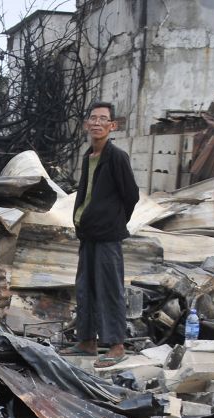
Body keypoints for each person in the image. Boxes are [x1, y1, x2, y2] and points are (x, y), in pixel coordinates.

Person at [68, 101, 139, 368]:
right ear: (87, 124)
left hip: (108, 236)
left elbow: (131, 195)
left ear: (112, 126)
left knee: (110, 290)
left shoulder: (117, 157)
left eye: (103, 119)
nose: (97, 123)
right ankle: (87, 341)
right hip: (88, 234)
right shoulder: (88, 157)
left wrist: (115, 222)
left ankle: (116, 345)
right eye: (93, 119)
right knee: (85, 289)